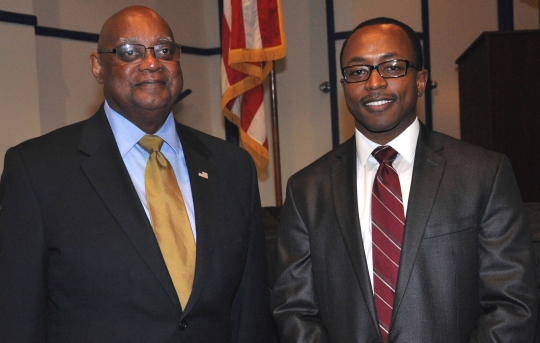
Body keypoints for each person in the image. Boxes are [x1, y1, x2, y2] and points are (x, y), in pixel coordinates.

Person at [0, 6, 273, 342]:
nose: (151, 63)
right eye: (129, 52)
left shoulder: (232, 167)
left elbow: (251, 313)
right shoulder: (36, 169)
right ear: (98, 66)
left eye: (165, 50)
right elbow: (18, 319)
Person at [270, 17, 538, 342]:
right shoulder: (306, 190)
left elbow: (512, 304)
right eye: (357, 71)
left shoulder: (485, 174)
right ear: (344, 87)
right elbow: (294, 309)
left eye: (392, 67)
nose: (374, 83)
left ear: (421, 80)